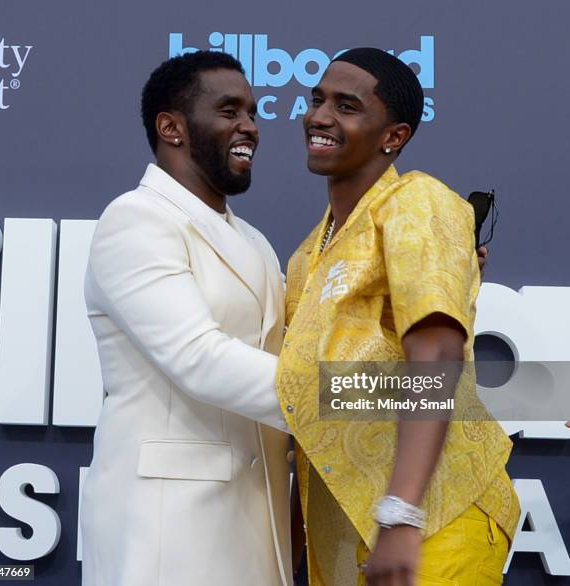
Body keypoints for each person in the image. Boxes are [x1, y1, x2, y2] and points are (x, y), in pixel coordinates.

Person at [276, 48, 520, 586]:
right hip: (344, 539)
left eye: (347, 106)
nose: (320, 116)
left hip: (434, 520)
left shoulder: (418, 201)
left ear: (394, 136)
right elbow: (312, 411)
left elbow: (435, 354)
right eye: (317, 101)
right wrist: (290, 547)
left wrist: (402, 514)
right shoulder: (302, 259)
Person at [80, 51, 293, 586]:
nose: (250, 127)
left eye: (252, 112)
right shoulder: (136, 219)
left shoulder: (255, 241)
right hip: (168, 528)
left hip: (259, 524)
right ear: (171, 128)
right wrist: (368, 396)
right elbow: (199, 358)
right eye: (229, 111)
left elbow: (298, 344)